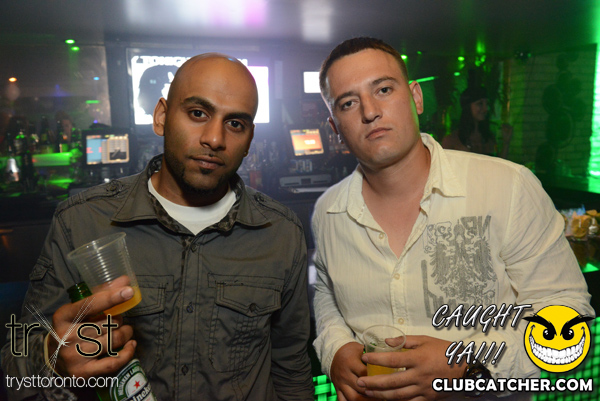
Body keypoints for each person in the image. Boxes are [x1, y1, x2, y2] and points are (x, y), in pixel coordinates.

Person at [1, 53, 314, 401]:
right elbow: (13, 364)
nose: (214, 138)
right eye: (198, 113)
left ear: (250, 138)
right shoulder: (83, 222)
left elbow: (292, 370)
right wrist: (51, 356)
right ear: (162, 117)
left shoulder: (281, 233)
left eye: (235, 124)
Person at [312, 37, 594, 401]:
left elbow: (570, 320)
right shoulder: (328, 212)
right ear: (334, 127)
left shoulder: (508, 187)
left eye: (383, 89)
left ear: (416, 97)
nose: (370, 111)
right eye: (348, 103)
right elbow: (328, 295)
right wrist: (335, 347)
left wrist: (466, 365)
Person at [442, 85, 513, 158]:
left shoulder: (489, 138)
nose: (486, 109)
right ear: (468, 107)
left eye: (487, 104)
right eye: (480, 104)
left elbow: (498, 163)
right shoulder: (452, 140)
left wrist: (506, 142)